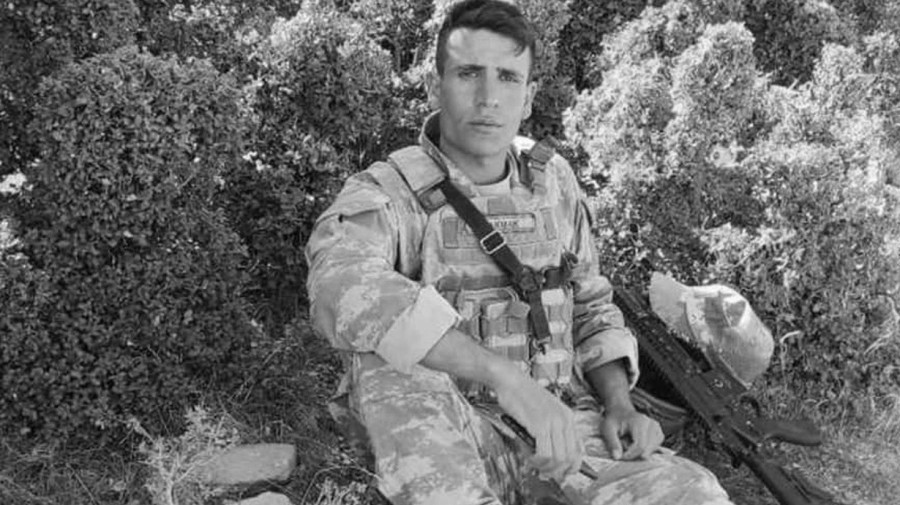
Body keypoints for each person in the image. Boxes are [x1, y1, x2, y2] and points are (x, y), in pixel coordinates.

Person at [305, 1, 736, 503]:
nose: (488, 97)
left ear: (529, 97)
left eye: (508, 78)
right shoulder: (389, 192)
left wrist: (619, 403)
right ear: (435, 86)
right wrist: (503, 376)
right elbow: (338, 283)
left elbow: (591, 306)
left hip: (562, 430)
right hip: (449, 437)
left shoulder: (553, 181)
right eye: (468, 73)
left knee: (693, 491)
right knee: (389, 361)